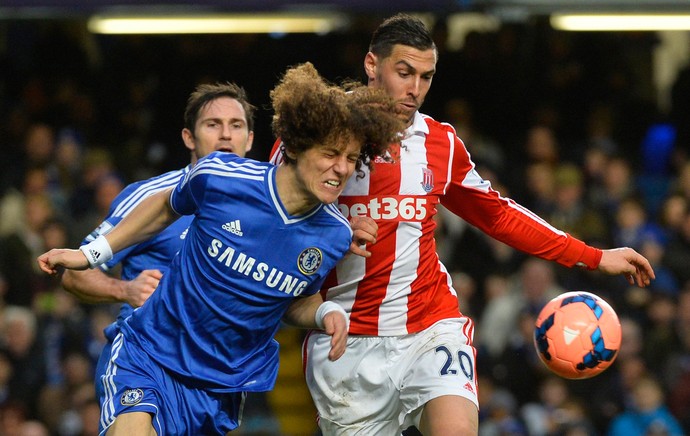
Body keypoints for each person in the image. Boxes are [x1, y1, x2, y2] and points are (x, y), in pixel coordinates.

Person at [270, 14, 655, 435]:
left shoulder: (440, 143)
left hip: (430, 328)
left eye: (426, 76)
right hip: (346, 341)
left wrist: (594, 256)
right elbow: (271, 224)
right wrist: (335, 232)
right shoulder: (313, 137)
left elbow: (499, 214)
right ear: (371, 65)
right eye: (404, 73)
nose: (415, 89)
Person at [37, 62, 404, 435]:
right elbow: (166, 206)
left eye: (352, 159)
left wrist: (326, 312)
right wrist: (91, 254)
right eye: (330, 153)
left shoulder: (334, 235)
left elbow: (288, 300)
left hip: (221, 385)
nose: (342, 169)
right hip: (149, 354)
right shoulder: (219, 179)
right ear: (295, 145)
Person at [58, 81, 256, 403]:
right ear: (188, 137)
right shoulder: (151, 197)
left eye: (236, 126)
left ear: (249, 140)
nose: (225, 135)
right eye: (213, 124)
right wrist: (123, 289)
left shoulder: (266, 214)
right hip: (147, 360)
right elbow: (75, 272)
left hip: (219, 375)